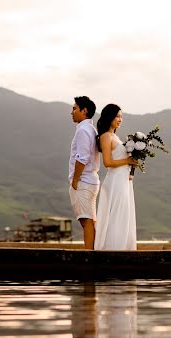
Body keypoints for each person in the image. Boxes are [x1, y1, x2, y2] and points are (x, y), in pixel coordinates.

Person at [94, 104, 139, 251]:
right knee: (116, 215)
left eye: (121, 116)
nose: (120, 119)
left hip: (123, 181)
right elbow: (107, 162)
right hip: (115, 182)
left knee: (123, 214)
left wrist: (132, 165)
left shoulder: (116, 137)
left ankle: (123, 248)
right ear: (109, 117)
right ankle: (113, 249)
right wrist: (127, 161)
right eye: (117, 116)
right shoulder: (106, 136)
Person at [69, 96, 100, 249]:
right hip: (91, 180)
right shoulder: (91, 129)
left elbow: (82, 157)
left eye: (74, 108)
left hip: (84, 181)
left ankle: (89, 257)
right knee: (90, 220)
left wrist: (75, 180)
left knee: (86, 221)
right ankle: (92, 253)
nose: (71, 112)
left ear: (84, 110)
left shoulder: (83, 130)